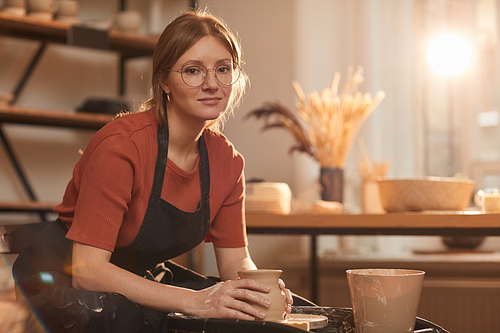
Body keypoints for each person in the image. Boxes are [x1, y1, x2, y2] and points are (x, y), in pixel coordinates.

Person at [13, 9, 312, 333]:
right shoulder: (122, 147)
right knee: (147, 319)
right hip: (63, 281)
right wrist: (196, 301)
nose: (212, 84)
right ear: (164, 81)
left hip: (137, 276)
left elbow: (235, 263)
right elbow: (87, 270)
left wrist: (260, 291)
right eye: (193, 70)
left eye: (223, 69)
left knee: (293, 314)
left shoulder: (227, 161)